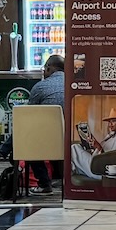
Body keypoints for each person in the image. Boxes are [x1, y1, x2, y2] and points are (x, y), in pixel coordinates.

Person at [23, 53, 66, 192]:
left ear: (48, 68)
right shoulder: (74, 85)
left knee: (27, 136)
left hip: (46, 141)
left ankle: (44, 184)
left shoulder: (40, 87)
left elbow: (29, 117)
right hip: (73, 139)